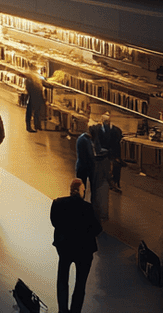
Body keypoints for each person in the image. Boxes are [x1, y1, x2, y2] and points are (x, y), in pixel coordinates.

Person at [50, 177, 103, 313]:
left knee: (62, 279)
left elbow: (55, 222)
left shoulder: (57, 203)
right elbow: (97, 229)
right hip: (83, 251)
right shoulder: (88, 208)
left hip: (65, 248)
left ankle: (62, 309)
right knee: (80, 284)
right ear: (81, 191)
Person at [90, 111, 124, 193]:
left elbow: (116, 145)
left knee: (115, 165)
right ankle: (110, 181)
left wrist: (117, 157)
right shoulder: (97, 129)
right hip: (103, 151)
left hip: (110, 152)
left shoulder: (116, 131)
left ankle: (113, 182)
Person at [75, 129, 97, 198]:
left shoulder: (81, 138)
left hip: (80, 166)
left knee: (80, 187)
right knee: (92, 188)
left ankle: (80, 202)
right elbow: (90, 155)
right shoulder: (86, 140)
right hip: (87, 167)